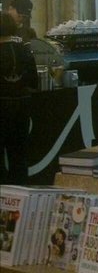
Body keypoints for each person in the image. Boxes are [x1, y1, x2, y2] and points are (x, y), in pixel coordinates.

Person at [0, 11, 38, 184]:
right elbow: (33, 80)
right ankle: (20, 196)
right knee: (19, 155)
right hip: (22, 104)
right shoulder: (23, 48)